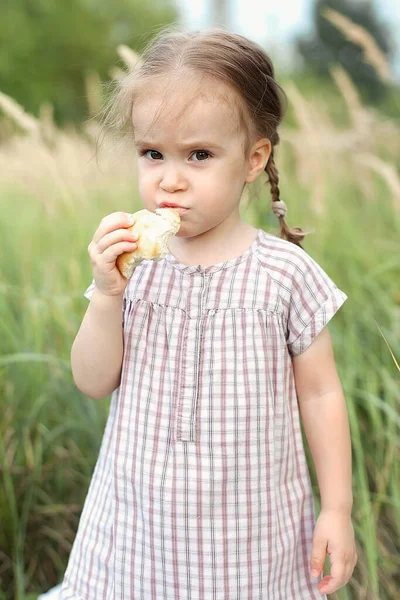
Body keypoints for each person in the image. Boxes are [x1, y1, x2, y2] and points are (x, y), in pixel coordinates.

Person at [59, 26, 357, 600]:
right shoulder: (130, 269)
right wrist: (104, 294)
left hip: (250, 534)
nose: (170, 180)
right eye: (152, 154)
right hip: (138, 529)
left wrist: (337, 509)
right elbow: (93, 382)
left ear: (253, 158)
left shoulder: (284, 274)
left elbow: (321, 394)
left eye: (199, 155)